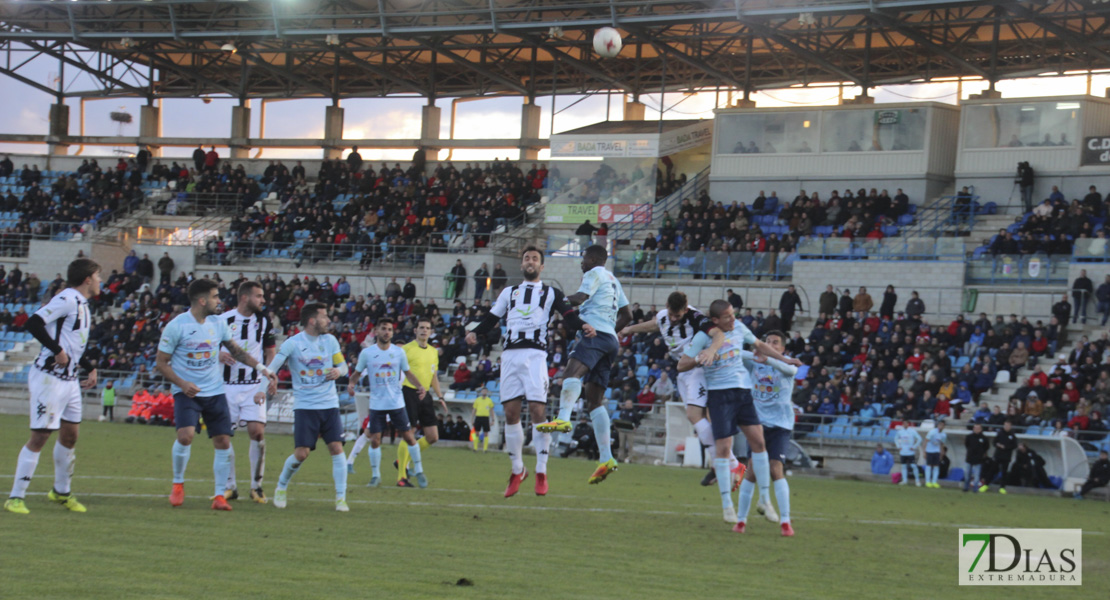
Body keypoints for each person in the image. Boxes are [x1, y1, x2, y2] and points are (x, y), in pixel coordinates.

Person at [467, 246, 584, 496]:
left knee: (537, 410)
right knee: (510, 413)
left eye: (534, 259)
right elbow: (491, 319)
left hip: (535, 356)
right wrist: (474, 332)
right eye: (526, 258)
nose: (530, 261)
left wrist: (586, 326)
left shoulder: (552, 292)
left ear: (542, 267)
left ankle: (541, 470)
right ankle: (518, 469)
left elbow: (570, 318)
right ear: (522, 265)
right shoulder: (509, 292)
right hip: (509, 356)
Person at [156, 279, 277, 510]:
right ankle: (178, 484)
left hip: (215, 390)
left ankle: (220, 495)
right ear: (202, 300)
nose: (219, 301)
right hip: (187, 392)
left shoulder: (217, 323)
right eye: (214, 297)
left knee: (222, 440)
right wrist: (182, 383)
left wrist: (263, 370)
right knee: (186, 437)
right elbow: (161, 363)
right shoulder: (176, 326)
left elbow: (238, 352)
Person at [677, 300, 799, 525]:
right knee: (724, 449)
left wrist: (784, 359)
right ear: (715, 321)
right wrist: (699, 358)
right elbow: (681, 364)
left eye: (733, 315)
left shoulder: (740, 328)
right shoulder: (703, 338)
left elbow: (760, 345)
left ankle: (764, 499)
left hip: (743, 393)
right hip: (720, 396)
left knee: (759, 443)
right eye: (727, 317)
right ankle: (727, 506)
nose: (733, 319)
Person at [5, 259, 101, 515]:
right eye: (98, 276)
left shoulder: (82, 304)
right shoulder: (67, 299)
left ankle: (60, 492)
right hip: (50, 378)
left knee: (70, 435)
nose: (101, 281)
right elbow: (33, 323)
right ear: (88, 279)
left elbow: (71, 345)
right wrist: (56, 350)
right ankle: (15, 497)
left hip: (69, 381)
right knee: (40, 436)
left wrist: (89, 366)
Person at [535, 245, 632, 485]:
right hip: (610, 339)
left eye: (583, 259)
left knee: (570, 373)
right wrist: (610, 331)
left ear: (592, 259)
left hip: (594, 334)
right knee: (594, 401)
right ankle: (607, 458)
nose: (581, 263)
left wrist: (556, 300)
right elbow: (628, 315)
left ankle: (563, 417)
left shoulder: (593, 273)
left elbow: (580, 298)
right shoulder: (613, 280)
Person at [619, 291, 730, 487]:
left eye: (677, 316)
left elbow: (717, 334)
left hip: (698, 369)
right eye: (671, 314)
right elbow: (656, 323)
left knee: (699, 415)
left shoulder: (695, 317)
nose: (673, 319)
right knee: (699, 418)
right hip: (683, 371)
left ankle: (727, 464)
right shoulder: (664, 316)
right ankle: (722, 464)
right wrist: (630, 329)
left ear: (685, 309)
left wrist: (711, 350)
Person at [258, 304, 349, 510]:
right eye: (324, 317)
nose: (328, 320)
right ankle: (281, 486)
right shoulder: (293, 344)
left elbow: (343, 366)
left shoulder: (330, 340)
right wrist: (261, 390)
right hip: (306, 406)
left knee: (336, 447)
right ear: (312, 320)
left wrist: (338, 371)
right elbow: (272, 369)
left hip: (329, 404)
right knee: (301, 454)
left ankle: (341, 498)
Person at [347, 319, 428, 489]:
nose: (387, 332)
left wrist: (420, 386)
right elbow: (357, 373)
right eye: (383, 329)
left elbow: (408, 372)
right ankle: (376, 476)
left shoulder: (399, 353)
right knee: (375, 440)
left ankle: (419, 470)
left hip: (396, 402)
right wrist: (351, 384)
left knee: (408, 437)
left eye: (390, 330)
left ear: (392, 333)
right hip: (377, 404)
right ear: (376, 331)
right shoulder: (367, 353)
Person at [735, 330, 798, 537]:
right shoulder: (754, 362)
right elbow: (736, 353)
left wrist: (769, 358)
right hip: (757, 424)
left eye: (775, 343)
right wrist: (756, 355)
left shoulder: (786, 365)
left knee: (775, 469)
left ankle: (786, 522)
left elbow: (790, 369)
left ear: (782, 349)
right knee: (750, 471)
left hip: (780, 425)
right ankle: (741, 521)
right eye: (767, 342)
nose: (770, 345)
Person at [218, 281, 277, 503]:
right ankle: (230, 486)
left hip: (254, 384)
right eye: (259, 296)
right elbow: (207, 346)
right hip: (225, 386)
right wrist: (217, 356)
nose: (263, 300)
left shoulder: (263, 320)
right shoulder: (223, 320)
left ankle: (256, 486)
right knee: (223, 436)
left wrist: (270, 373)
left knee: (257, 432)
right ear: (244, 297)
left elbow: (271, 351)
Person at [396, 318, 448, 486]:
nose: (424, 330)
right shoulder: (406, 349)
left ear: (431, 332)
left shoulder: (433, 351)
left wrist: (440, 396)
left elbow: (433, 376)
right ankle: (401, 477)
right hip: (408, 392)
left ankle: (403, 460)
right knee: (408, 433)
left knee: (433, 436)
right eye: (421, 328)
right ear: (415, 330)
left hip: (425, 394)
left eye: (427, 328)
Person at [980, 419, 1018, 494]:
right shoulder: (1000, 433)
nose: (1006, 427)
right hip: (998, 455)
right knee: (992, 470)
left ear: (1010, 426)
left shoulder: (1012, 435)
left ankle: (1002, 488)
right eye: (1005, 425)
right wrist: (998, 445)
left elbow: (1014, 445)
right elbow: (994, 442)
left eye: (1008, 425)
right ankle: (986, 485)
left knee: (1004, 472)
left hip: (1006, 457)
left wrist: (1006, 447)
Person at [962, 423, 990, 493]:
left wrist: (981, 453)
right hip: (969, 458)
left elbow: (986, 447)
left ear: (981, 429)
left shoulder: (984, 438)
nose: (976, 429)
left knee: (977, 475)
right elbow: (967, 445)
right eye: (975, 428)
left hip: (979, 459)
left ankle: (975, 488)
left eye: (978, 428)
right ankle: (966, 487)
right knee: (967, 474)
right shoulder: (969, 437)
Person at [923, 421, 947, 488]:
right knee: (929, 466)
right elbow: (926, 441)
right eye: (940, 425)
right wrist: (924, 451)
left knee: (936, 467)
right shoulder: (932, 432)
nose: (941, 426)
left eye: (942, 425)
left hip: (937, 451)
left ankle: (934, 482)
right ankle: (927, 482)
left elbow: (942, 444)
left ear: (944, 426)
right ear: (937, 425)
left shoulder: (943, 435)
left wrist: (942, 452)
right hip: (929, 451)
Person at [470, 388, 495, 452]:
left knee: (486, 433)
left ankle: (485, 449)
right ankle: (475, 448)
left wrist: (493, 419)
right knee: (476, 432)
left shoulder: (489, 400)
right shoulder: (477, 400)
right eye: (483, 391)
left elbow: (491, 410)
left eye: (485, 391)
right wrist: (472, 419)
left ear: (487, 392)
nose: (484, 392)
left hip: (486, 418)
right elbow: (474, 410)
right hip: (478, 417)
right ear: (481, 392)